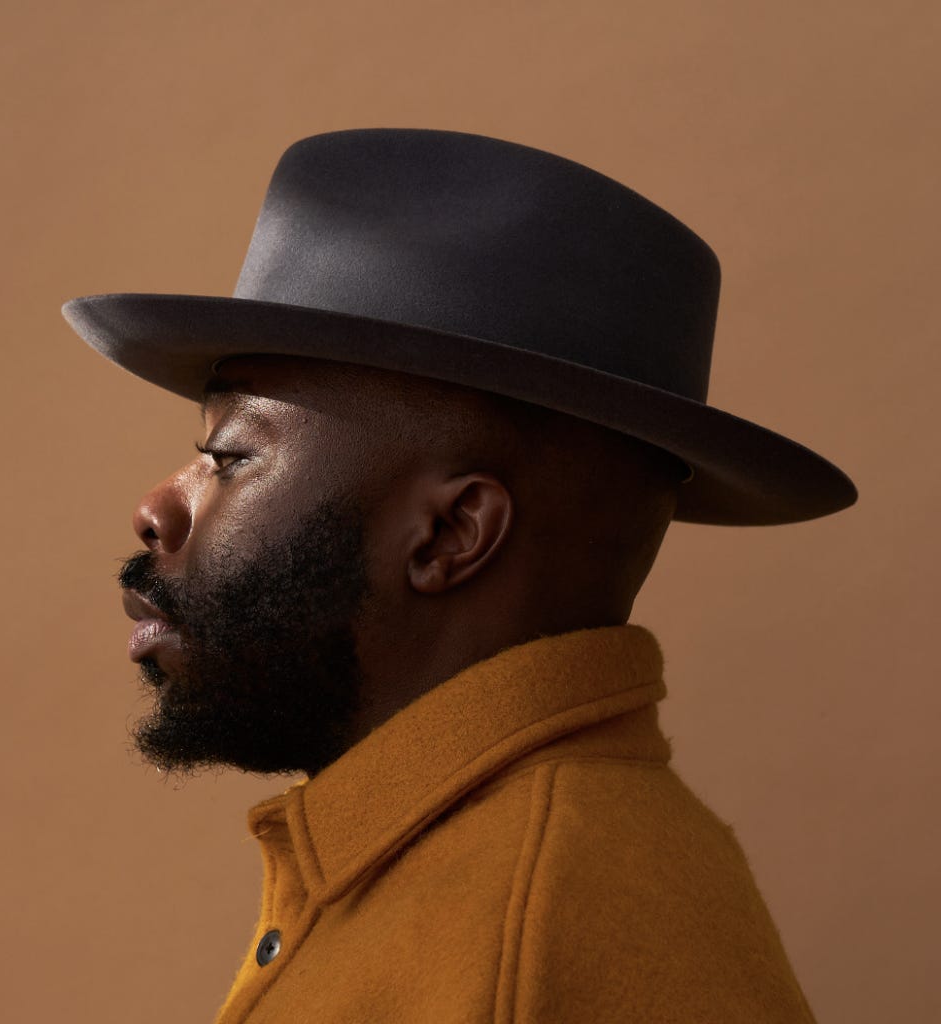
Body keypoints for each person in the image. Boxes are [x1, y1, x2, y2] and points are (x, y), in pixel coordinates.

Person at [62, 129, 857, 1023]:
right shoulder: (494, 868)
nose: (157, 508)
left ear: (450, 534)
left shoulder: (535, 929)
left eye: (230, 457)